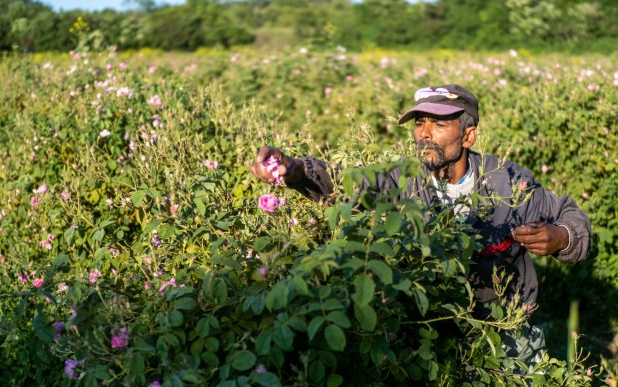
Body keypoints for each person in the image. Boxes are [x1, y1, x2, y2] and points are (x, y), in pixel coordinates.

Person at [251, 83, 591, 366]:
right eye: (419, 124)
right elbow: (343, 184)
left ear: (468, 136)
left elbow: (572, 217)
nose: (424, 134)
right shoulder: (403, 178)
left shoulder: (507, 182)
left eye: (438, 125)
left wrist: (561, 237)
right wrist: (293, 170)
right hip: (430, 330)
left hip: (504, 325)